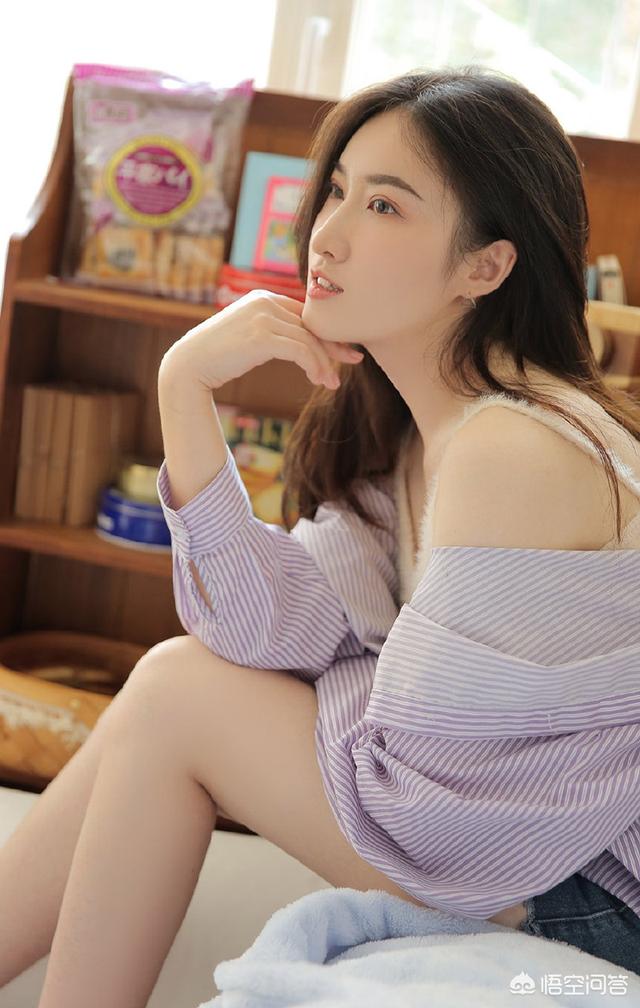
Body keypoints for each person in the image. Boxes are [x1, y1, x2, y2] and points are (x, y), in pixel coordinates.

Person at [2, 66, 640, 1006]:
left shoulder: (512, 449)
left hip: (591, 903)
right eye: (337, 190)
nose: (327, 234)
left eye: (384, 206)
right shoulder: (414, 436)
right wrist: (183, 389)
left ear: (485, 267)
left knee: (180, 692)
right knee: (179, 686)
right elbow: (258, 632)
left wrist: (337, 673)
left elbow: (427, 813)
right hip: (517, 858)